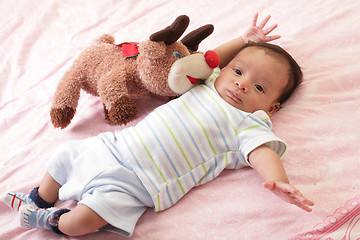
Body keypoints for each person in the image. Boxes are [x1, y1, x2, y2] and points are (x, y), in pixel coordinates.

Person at [1, 13, 314, 237]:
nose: (243, 85)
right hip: (114, 146)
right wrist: (245, 40)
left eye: (259, 88)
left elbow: (263, 154)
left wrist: (279, 181)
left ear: (272, 107)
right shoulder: (209, 82)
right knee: (62, 157)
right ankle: (40, 197)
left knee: (80, 224)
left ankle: (49, 220)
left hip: (142, 184)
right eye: (239, 72)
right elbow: (210, 59)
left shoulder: (249, 123)